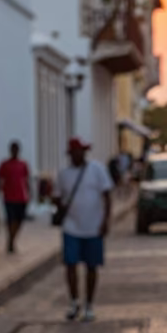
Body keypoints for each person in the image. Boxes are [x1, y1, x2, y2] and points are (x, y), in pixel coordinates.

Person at [54, 137, 113, 323]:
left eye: (80, 152)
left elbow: (107, 196)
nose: (78, 155)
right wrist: (60, 205)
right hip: (71, 227)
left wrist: (105, 221)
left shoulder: (97, 170)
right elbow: (57, 196)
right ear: (70, 154)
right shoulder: (63, 174)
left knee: (91, 266)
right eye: (74, 152)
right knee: (70, 265)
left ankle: (89, 305)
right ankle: (74, 302)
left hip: (93, 227)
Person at [0, 141, 31, 254]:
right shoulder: (4, 164)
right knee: (10, 219)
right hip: (9, 197)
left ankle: (12, 238)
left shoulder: (23, 164)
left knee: (19, 220)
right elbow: (0, 179)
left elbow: (26, 180)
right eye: (13, 149)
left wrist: (30, 193)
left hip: (21, 197)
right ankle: (10, 241)